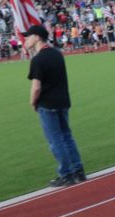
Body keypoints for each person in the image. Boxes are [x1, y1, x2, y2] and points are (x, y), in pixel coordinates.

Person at [25, 24, 85, 187]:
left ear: (37, 37)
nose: (26, 39)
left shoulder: (38, 59)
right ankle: (78, 170)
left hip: (47, 103)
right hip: (63, 100)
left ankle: (66, 174)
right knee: (67, 136)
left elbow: (36, 86)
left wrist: (32, 102)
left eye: (28, 36)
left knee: (55, 140)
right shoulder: (57, 54)